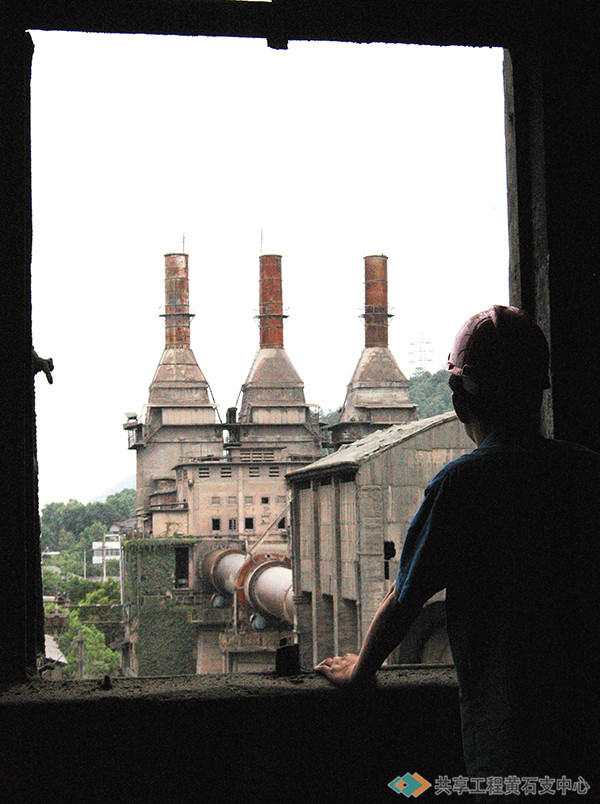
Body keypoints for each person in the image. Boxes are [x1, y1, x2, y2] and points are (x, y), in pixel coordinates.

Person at [315, 305, 599, 797]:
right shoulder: (588, 473)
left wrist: (361, 669)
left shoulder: (462, 485)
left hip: (509, 731)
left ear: (460, 402)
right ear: (539, 393)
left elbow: (405, 598)